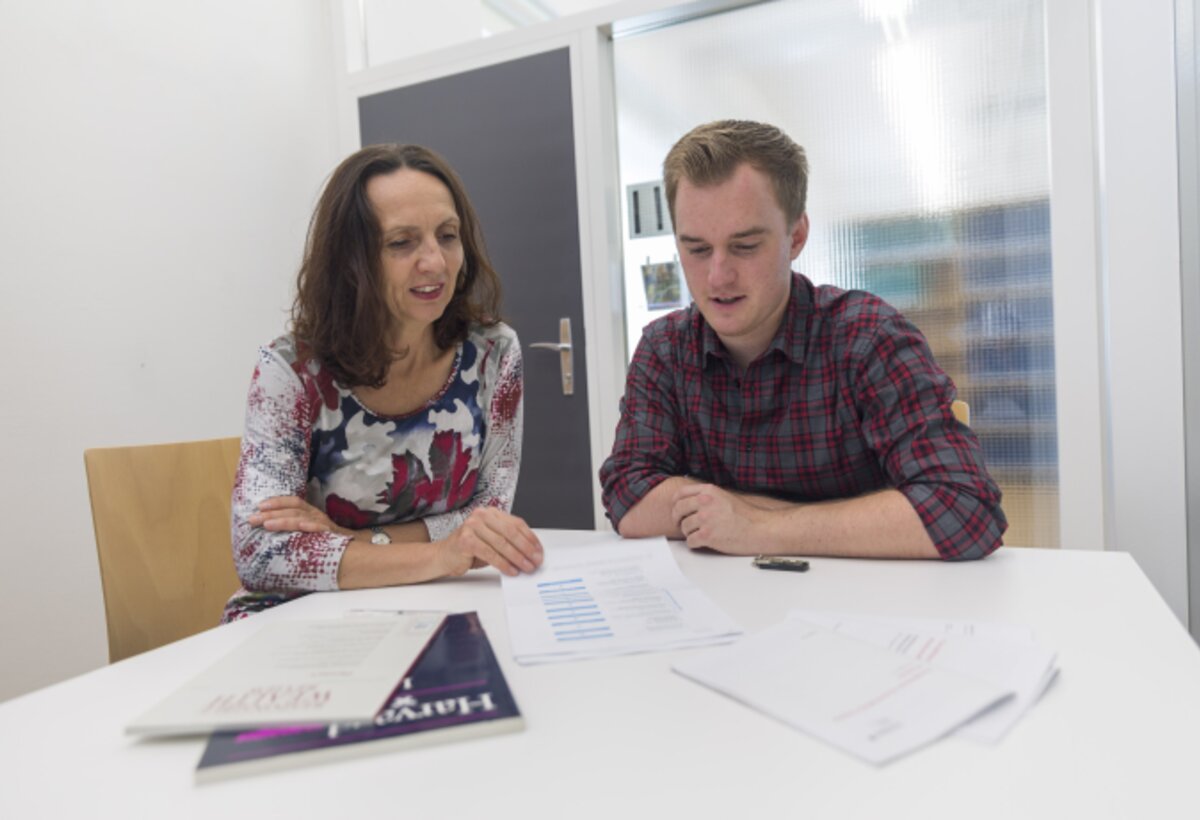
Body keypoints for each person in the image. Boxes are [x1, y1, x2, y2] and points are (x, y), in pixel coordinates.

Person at [599, 120, 1006, 560]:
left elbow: (965, 510)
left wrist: (757, 527)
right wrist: (757, 517)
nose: (717, 277)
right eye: (697, 250)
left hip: (861, 608)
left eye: (745, 246)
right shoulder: (664, 350)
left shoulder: (868, 338)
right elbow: (628, 493)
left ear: (796, 237)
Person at [224, 144, 543, 621]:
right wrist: (440, 553)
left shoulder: (495, 354)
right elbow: (259, 552)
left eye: (448, 235)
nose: (435, 262)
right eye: (401, 243)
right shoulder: (290, 370)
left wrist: (345, 540)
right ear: (352, 262)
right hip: (303, 620)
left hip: (439, 606)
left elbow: (487, 514)